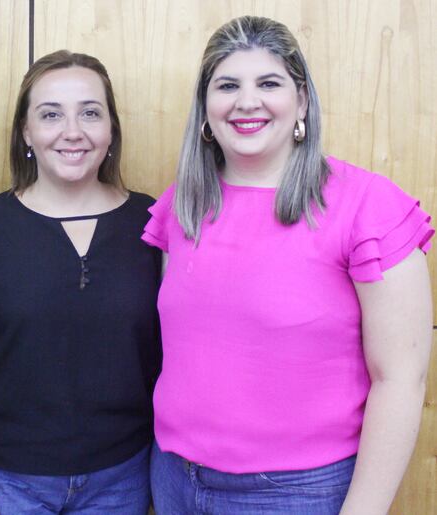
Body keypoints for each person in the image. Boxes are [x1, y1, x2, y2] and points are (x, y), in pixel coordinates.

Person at [143, 15, 433, 515]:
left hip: (297, 494)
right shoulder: (182, 205)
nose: (246, 101)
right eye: (227, 84)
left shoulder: (368, 207)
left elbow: (400, 380)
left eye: (269, 83)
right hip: (173, 479)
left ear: (301, 100)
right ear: (205, 106)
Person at [0, 50, 161, 514]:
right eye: (50, 114)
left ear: (111, 130)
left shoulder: (151, 221)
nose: (72, 131)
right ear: (26, 133)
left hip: (122, 480)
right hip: (7, 485)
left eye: (90, 113)